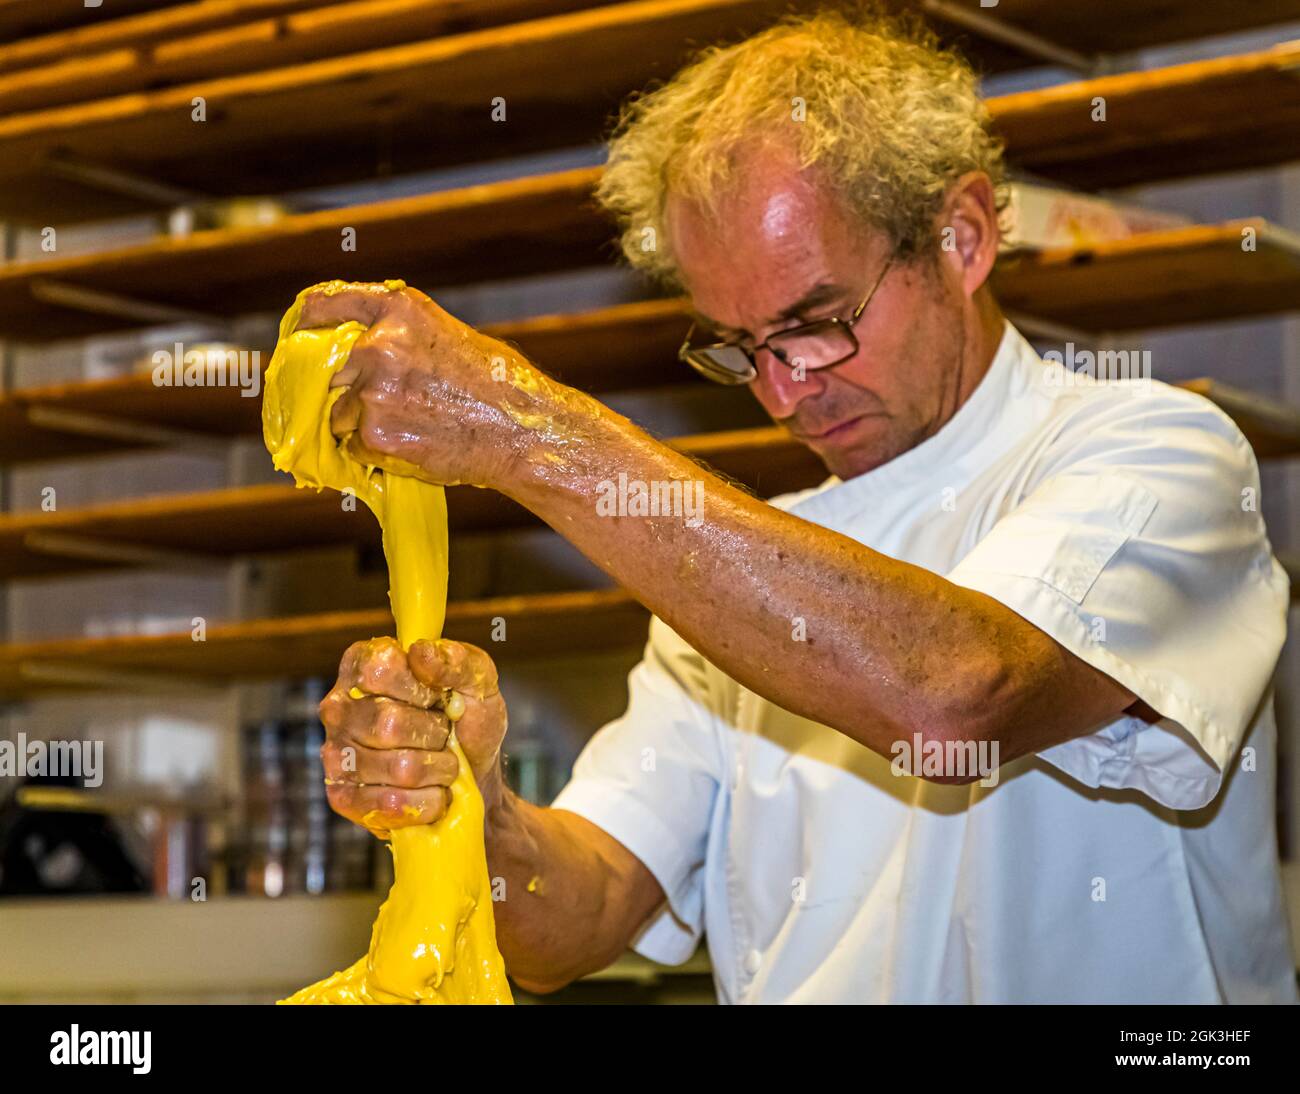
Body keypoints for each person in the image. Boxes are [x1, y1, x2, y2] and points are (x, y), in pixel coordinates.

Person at [303, 9, 1296, 1002]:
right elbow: (575, 921)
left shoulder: (1155, 455)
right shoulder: (729, 577)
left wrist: (527, 431)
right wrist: (469, 808)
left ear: (962, 236)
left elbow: (956, 695)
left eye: (814, 324)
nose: (783, 391)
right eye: (738, 345)